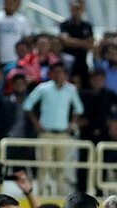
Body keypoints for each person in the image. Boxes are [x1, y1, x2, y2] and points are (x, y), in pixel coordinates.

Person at [21, 61, 83, 194]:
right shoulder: (43, 88)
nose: (59, 75)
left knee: (61, 167)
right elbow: (27, 105)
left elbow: (79, 109)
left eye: (62, 72)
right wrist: (36, 123)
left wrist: (72, 124)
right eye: (56, 72)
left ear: (65, 74)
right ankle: (42, 194)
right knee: (44, 165)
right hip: (46, 133)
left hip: (63, 134)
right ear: (51, 74)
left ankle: (60, 194)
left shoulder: (71, 89)